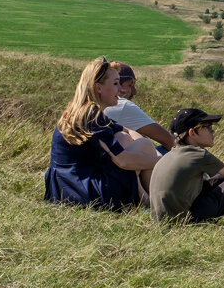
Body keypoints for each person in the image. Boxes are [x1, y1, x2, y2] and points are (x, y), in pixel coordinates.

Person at [44, 57, 161, 209]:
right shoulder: (92, 116)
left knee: (130, 139)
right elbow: (123, 161)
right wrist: (163, 162)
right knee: (143, 145)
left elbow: (124, 131)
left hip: (65, 188)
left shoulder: (84, 111)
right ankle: (155, 204)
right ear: (98, 88)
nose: (120, 89)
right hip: (87, 193)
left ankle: (149, 202)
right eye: (115, 83)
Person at [149, 108, 224, 224]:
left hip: (163, 220)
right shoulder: (198, 154)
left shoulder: (171, 154)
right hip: (183, 221)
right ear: (192, 133)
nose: (213, 131)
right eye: (207, 127)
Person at [102, 62, 176, 150]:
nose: (134, 92)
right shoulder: (122, 105)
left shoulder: (91, 109)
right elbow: (170, 142)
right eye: (130, 85)